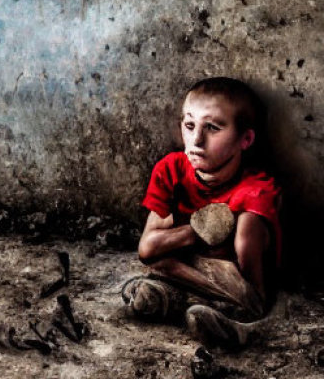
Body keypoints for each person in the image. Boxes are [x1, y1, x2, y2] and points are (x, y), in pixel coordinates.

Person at [121, 77, 283, 350]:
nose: (196, 140)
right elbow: (147, 249)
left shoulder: (256, 191)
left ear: (246, 139)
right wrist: (198, 232)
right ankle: (194, 303)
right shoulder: (171, 170)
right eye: (189, 125)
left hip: (235, 283)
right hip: (194, 269)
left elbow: (252, 291)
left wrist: (176, 243)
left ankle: (236, 325)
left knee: (165, 266)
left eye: (212, 127)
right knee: (158, 263)